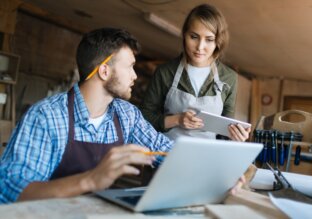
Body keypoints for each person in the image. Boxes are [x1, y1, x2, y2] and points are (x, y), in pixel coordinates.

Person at [0, 27, 172, 204]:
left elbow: (164, 150)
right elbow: (11, 189)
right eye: (130, 67)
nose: (134, 76)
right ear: (104, 71)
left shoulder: (126, 115)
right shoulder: (46, 116)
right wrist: (91, 179)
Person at [141, 4, 251, 141]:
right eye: (194, 37)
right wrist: (177, 120)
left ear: (218, 41)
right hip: (166, 153)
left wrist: (236, 135)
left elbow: (224, 130)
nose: (200, 47)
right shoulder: (165, 72)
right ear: (184, 34)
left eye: (209, 39)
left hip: (207, 156)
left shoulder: (229, 78)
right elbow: (144, 118)